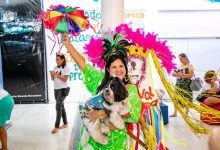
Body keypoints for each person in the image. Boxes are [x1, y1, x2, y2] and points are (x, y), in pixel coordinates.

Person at [62, 33, 142, 149]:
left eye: (121, 66)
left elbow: (133, 114)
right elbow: (83, 65)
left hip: (114, 142)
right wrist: (68, 44)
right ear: (108, 70)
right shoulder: (100, 81)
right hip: (92, 141)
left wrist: (101, 113)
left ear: (125, 68)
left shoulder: (130, 89)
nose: (118, 70)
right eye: (114, 67)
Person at [50, 53, 70, 134]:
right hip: (56, 90)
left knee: (58, 107)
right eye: (56, 59)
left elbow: (65, 79)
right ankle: (65, 123)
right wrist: (52, 75)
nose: (57, 61)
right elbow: (53, 79)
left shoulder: (66, 68)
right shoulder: (55, 67)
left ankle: (56, 126)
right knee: (61, 106)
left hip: (63, 90)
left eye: (58, 59)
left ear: (63, 60)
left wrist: (56, 74)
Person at [170, 53, 194, 117]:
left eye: (181, 58)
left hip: (186, 84)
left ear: (185, 58)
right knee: (176, 97)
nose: (180, 60)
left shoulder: (190, 65)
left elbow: (191, 75)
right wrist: (175, 74)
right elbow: (176, 74)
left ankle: (186, 113)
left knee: (186, 97)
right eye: (179, 59)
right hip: (179, 83)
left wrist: (182, 75)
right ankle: (175, 112)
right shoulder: (179, 65)